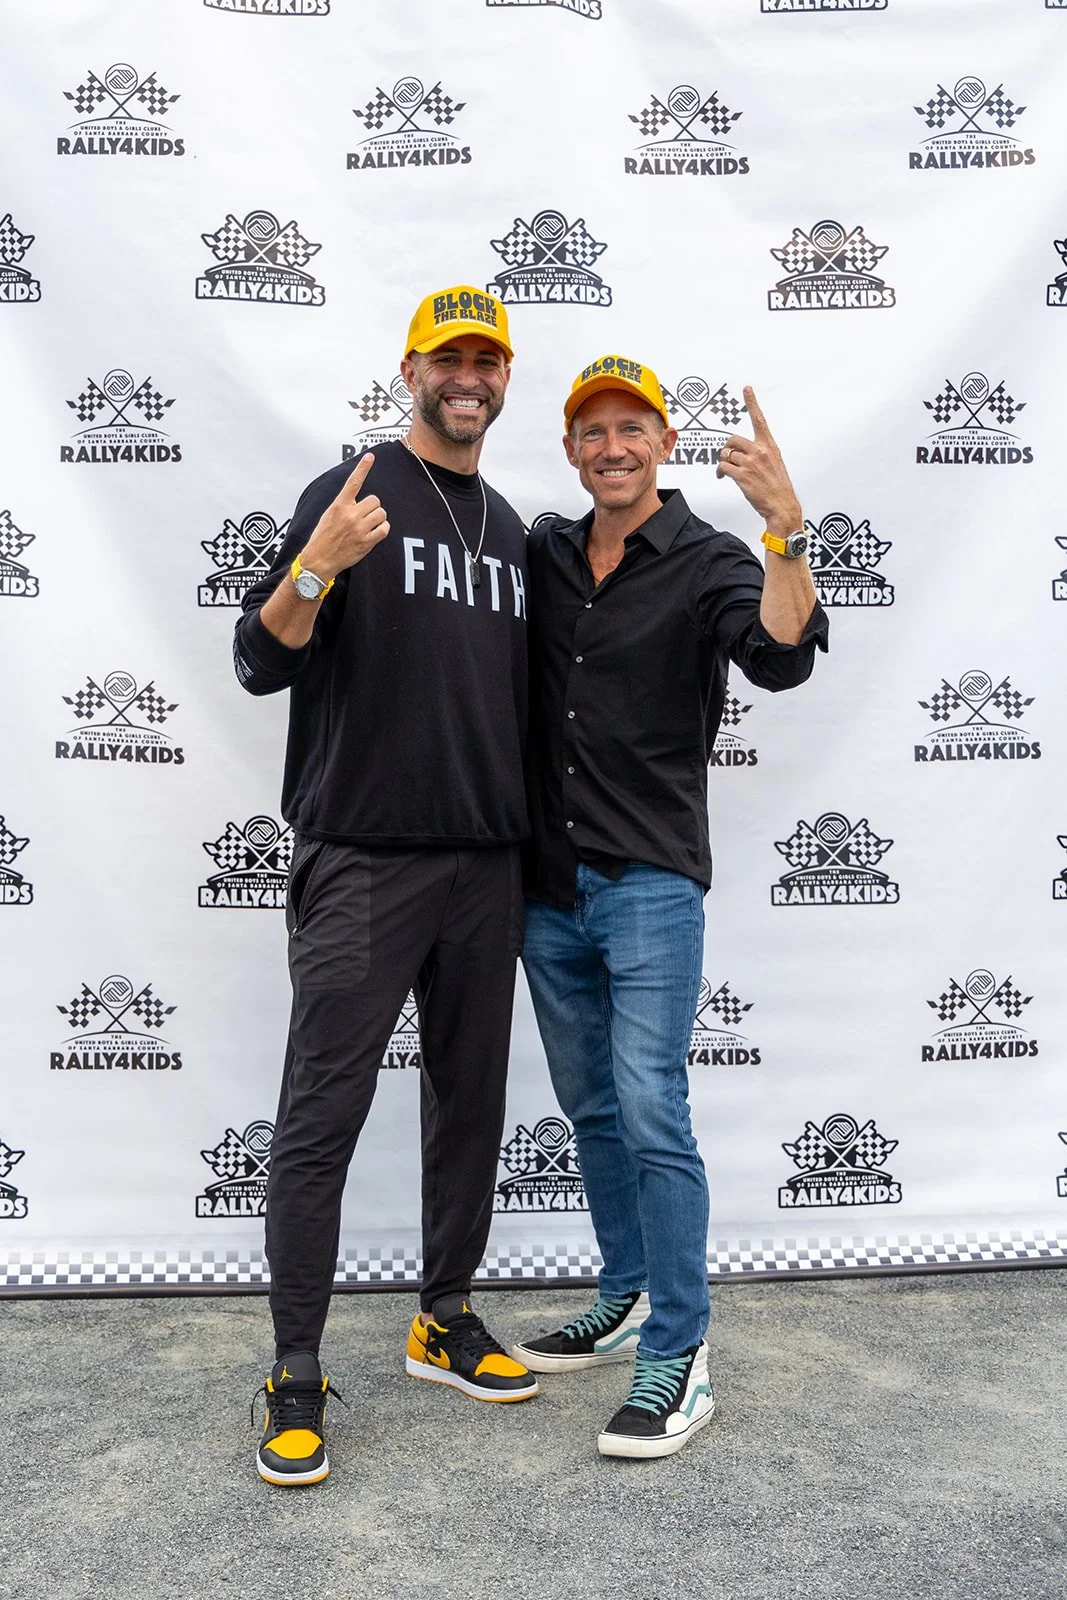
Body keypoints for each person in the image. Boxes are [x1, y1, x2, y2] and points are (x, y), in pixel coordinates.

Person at [235, 286, 539, 1488]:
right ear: (408, 367)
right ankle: (295, 1371)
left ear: (503, 379)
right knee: (321, 1116)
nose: (467, 377)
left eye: (487, 360)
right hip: (361, 858)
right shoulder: (351, 491)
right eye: (447, 358)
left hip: (483, 864)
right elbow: (261, 658)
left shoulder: (511, 527)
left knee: (468, 1105)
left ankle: (443, 1315)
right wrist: (316, 565)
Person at [512, 355, 828, 1459]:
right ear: (568, 449)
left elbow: (779, 655)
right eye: (590, 430)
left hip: (647, 881)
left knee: (649, 1107)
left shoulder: (706, 559)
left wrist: (786, 527)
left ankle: (679, 1353)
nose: (611, 447)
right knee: (589, 1104)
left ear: (662, 443)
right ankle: (626, 1288)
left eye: (630, 428)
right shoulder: (542, 552)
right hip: (542, 886)